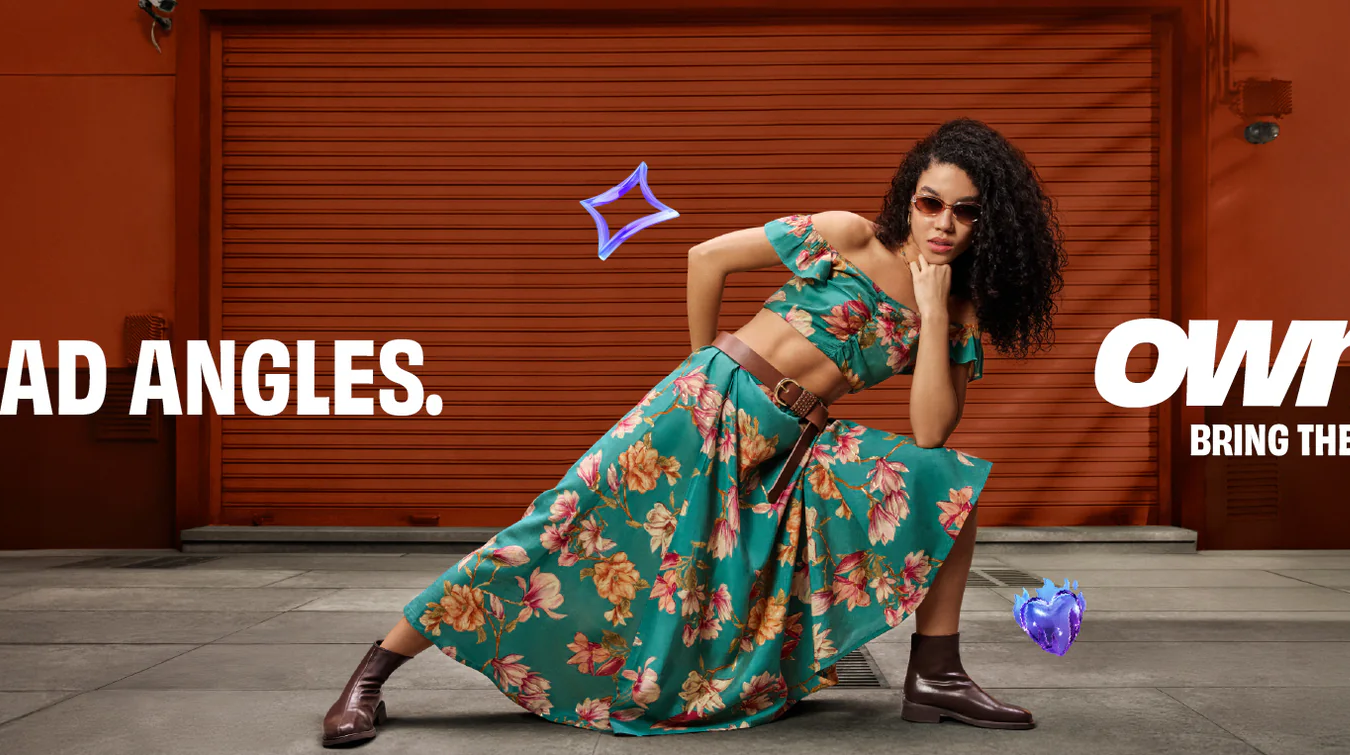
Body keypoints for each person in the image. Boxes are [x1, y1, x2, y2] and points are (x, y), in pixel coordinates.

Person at [322, 117, 1066, 746]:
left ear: (984, 224)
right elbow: (704, 257)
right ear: (909, 199)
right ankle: (372, 675)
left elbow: (931, 431)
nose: (942, 222)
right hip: (701, 406)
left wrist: (935, 313)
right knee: (554, 529)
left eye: (963, 212)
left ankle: (936, 673)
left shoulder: (960, 314)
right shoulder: (848, 237)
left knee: (947, 485)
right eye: (930, 202)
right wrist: (704, 365)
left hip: (791, 450)